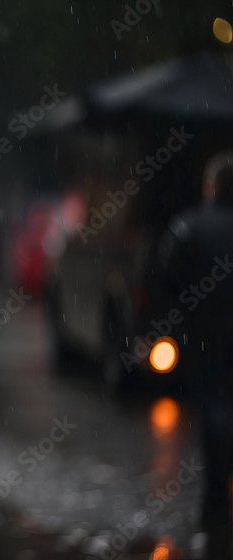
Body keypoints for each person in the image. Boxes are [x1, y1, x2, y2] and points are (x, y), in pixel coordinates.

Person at [157, 155, 233, 560]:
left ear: (211, 187)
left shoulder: (190, 227)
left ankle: (216, 499)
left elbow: (166, 275)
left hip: (207, 336)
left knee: (216, 411)